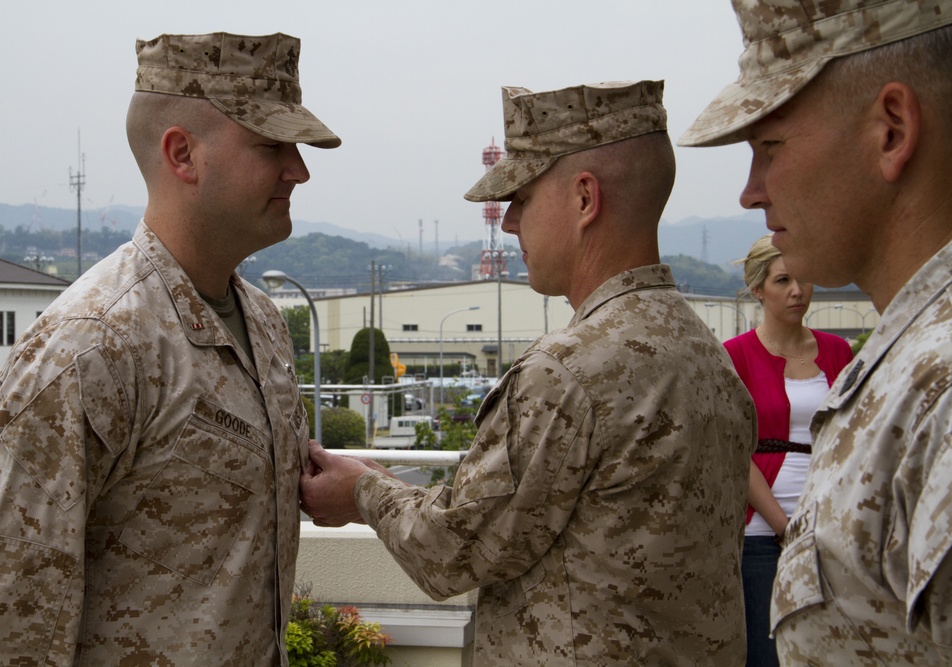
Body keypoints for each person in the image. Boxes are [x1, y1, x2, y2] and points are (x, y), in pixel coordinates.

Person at [300, 80, 756, 665]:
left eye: (523, 198)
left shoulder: (568, 371)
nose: (510, 222)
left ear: (584, 199)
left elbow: (453, 550)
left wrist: (362, 491)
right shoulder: (707, 354)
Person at [0, 32, 339, 664]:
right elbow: (3, 624)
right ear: (183, 154)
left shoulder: (264, 325)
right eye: (272, 145)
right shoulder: (91, 346)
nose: (298, 169)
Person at [680, 1, 952, 663]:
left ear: (891, 130)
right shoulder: (904, 359)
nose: (751, 192)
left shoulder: (939, 384)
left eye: (770, 147)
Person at [724, 234, 853, 667]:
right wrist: (784, 526)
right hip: (761, 532)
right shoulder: (733, 356)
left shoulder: (838, 350)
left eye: (803, 279)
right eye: (783, 281)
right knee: (768, 654)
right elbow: (734, 453)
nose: (798, 291)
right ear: (758, 288)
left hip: (831, 528)